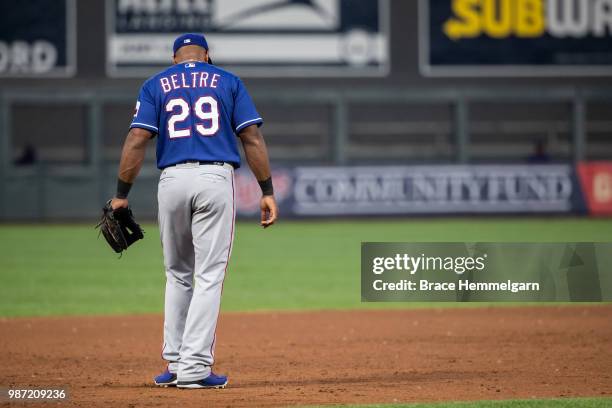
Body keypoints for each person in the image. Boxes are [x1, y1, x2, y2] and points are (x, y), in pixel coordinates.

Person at [110, 33, 278, 389]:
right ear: (208, 56)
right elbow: (252, 138)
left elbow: (137, 138)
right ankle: (195, 368)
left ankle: (173, 363)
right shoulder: (228, 81)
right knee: (209, 276)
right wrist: (266, 190)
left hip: (171, 179)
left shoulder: (156, 84)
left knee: (177, 274)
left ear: (175, 58)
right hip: (214, 177)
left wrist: (121, 195)